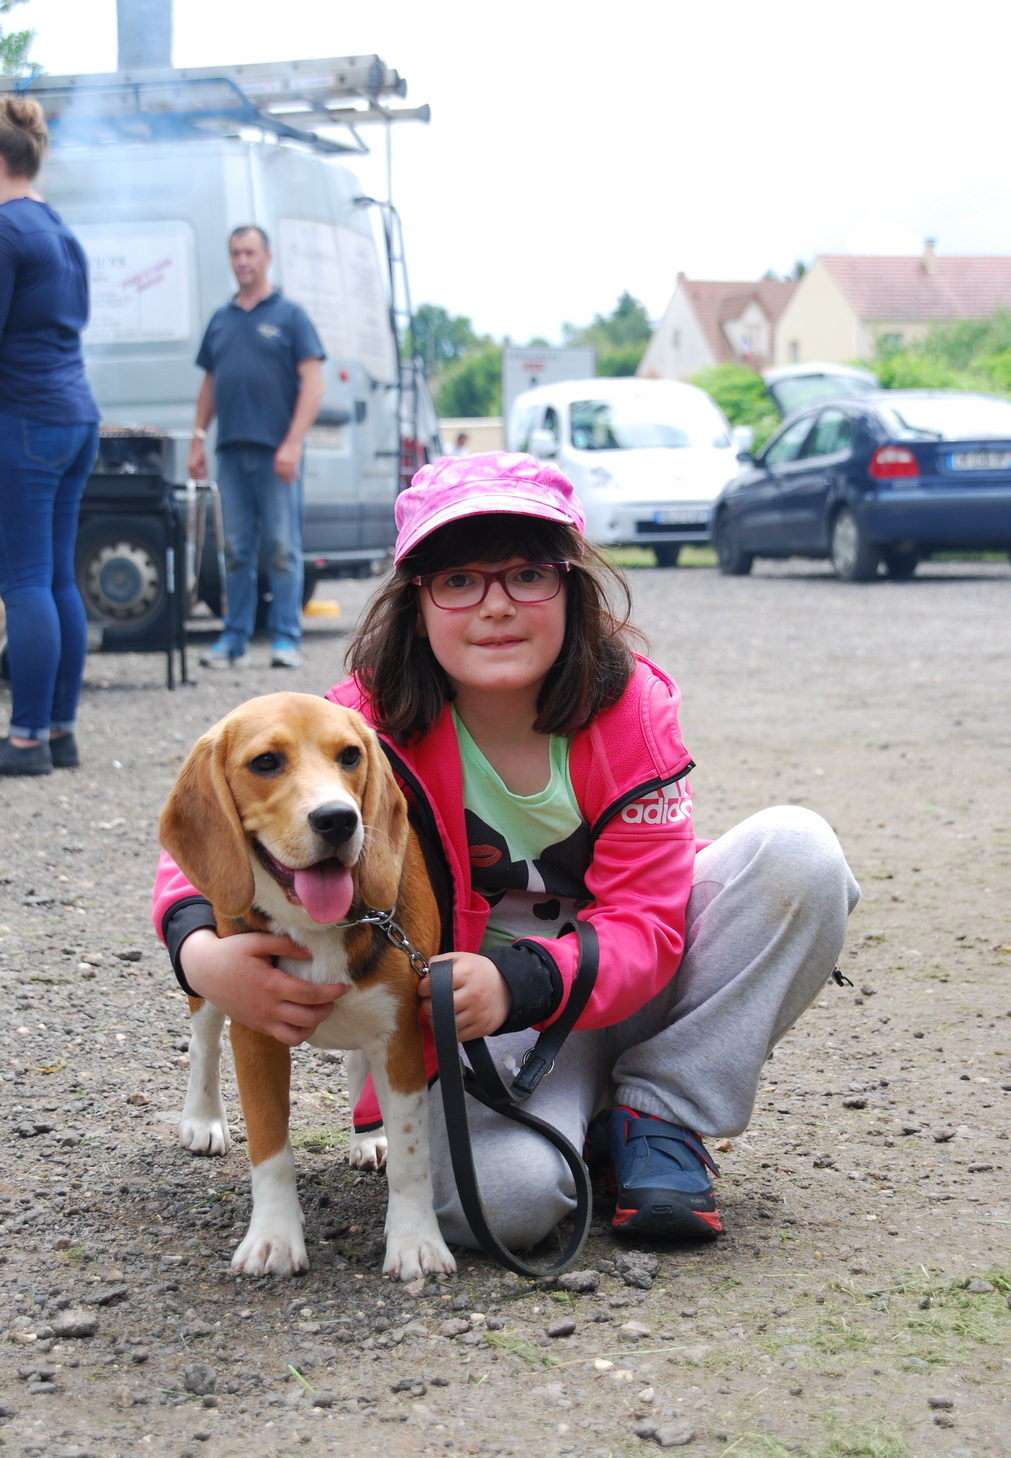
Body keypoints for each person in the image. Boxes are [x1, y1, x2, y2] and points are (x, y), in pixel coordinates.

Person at [153, 451, 860, 1251]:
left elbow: (649, 922)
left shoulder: (633, 710)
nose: (495, 606)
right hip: (488, 1035)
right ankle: (584, 1121)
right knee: (503, 1207)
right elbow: (207, 833)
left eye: (528, 575)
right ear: (415, 603)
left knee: (799, 854)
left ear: (572, 588)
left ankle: (660, 1114)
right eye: (458, 580)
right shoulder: (359, 723)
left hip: (621, 985)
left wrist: (518, 979)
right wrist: (200, 956)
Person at [0, 94, 100, 778]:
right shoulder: (59, 231)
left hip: (25, 421)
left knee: (25, 580)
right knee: (58, 577)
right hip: (75, 416)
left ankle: (26, 739)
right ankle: (59, 732)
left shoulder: (6, 231)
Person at [188, 225, 325, 672]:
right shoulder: (221, 319)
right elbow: (210, 384)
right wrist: (197, 439)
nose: (242, 260)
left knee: (282, 548)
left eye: (249, 252)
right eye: (235, 253)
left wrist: (292, 444)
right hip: (230, 453)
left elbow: (314, 385)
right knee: (235, 550)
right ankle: (234, 640)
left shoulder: (290, 316)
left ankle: (286, 638)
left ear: (267, 258)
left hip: (276, 455)